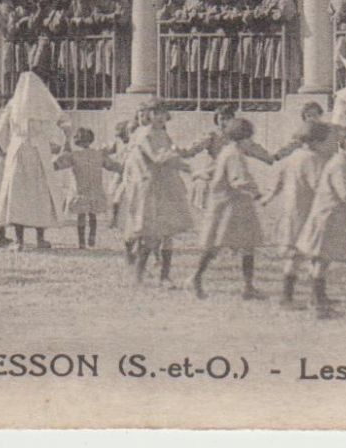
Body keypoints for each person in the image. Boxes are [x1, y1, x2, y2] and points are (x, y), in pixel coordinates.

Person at [187, 117, 268, 301]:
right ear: (242, 138)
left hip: (232, 205)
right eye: (248, 138)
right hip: (229, 206)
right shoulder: (234, 155)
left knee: (246, 245)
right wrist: (257, 194)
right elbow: (237, 180)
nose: (250, 142)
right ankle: (196, 278)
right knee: (217, 245)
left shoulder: (228, 151)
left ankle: (248, 287)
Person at [288, 127, 346, 316]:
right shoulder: (340, 164)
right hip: (329, 218)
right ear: (345, 143)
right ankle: (319, 304)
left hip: (340, 218)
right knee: (323, 260)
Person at [0, 72, 69, 251]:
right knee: (39, 194)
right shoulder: (44, 105)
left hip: (18, 151)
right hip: (39, 153)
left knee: (17, 195)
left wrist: (9, 148)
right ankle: (40, 239)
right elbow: (61, 128)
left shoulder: (13, 105)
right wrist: (55, 145)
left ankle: (19, 241)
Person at [124, 100, 194, 285]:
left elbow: (170, 153)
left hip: (167, 185)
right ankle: (139, 274)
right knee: (151, 233)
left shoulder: (164, 134)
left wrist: (180, 159)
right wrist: (187, 166)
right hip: (151, 187)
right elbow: (157, 158)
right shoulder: (144, 135)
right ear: (148, 115)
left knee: (168, 233)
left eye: (163, 113)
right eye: (156, 113)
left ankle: (165, 275)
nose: (161, 117)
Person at [262, 113, 334, 262]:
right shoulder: (313, 159)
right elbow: (318, 184)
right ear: (316, 140)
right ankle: (313, 274)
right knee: (310, 244)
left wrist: (270, 196)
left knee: (293, 242)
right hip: (307, 205)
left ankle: (291, 274)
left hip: (292, 204)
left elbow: (280, 178)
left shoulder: (294, 156)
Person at [54, 127, 121, 250]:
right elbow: (112, 166)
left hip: (80, 190)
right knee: (93, 215)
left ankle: (81, 242)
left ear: (76, 141)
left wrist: (61, 153)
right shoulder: (98, 154)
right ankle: (92, 236)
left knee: (81, 216)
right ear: (91, 139)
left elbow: (57, 165)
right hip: (95, 189)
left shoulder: (73, 155)